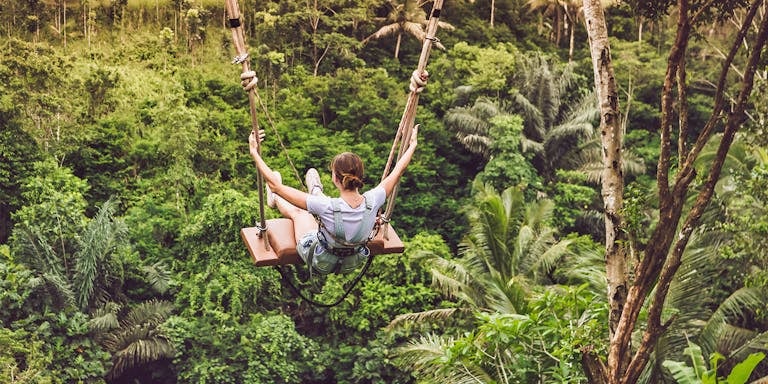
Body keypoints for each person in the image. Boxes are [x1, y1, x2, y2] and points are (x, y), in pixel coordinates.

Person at [248, 125, 418, 275]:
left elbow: (276, 185)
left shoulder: (325, 207)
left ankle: (276, 199)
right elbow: (398, 170)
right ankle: (315, 189)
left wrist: (254, 152)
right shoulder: (374, 199)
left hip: (320, 259)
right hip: (351, 262)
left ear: (336, 179)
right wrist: (412, 145)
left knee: (300, 213)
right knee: (320, 206)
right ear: (359, 177)